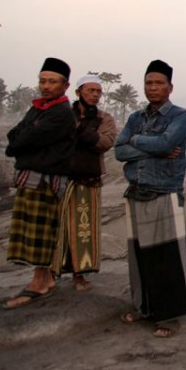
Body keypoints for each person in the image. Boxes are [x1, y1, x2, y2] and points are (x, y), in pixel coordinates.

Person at [115, 60, 186, 338]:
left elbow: (166, 143)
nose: (153, 87)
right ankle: (143, 307)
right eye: (149, 83)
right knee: (139, 257)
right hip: (136, 191)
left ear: (170, 87)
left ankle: (169, 316)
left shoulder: (179, 116)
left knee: (166, 258)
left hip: (163, 191)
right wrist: (152, 149)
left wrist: (137, 142)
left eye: (159, 83)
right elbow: (118, 151)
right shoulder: (136, 118)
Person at [3, 57, 76, 309]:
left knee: (41, 233)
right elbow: (14, 138)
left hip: (46, 182)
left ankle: (40, 281)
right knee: (33, 231)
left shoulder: (61, 113)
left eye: (52, 82)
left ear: (65, 86)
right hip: (33, 178)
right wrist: (26, 140)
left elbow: (23, 140)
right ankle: (44, 278)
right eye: (43, 81)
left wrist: (26, 141)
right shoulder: (39, 108)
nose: (46, 86)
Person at [51, 74, 117, 291]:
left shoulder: (104, 118)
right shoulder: (63, 115)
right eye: (91, 90)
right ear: (78, 92)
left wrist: (79, 131)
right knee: (57, 229)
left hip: (88, 181)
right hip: (61, 180)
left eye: (98, 91)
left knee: (83, 230)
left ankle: (79, 275)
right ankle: (52, 273)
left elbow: (105, 142)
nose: (95, 95)